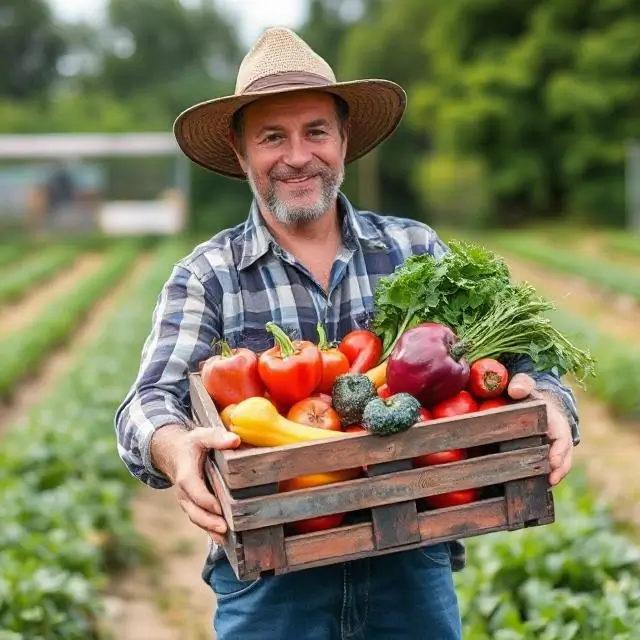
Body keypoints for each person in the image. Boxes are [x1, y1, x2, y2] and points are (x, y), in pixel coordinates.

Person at [115, 27, 580, 639]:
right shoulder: (208, 276)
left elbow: (525, 363)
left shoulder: (416, 251)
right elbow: (146, 403)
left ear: (343, 139)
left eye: (315, 131)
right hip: (271, 580)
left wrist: (550, 403)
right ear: (239, 151)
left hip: (412, 563)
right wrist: (174, 448)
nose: (297, 156)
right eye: (272, 137)